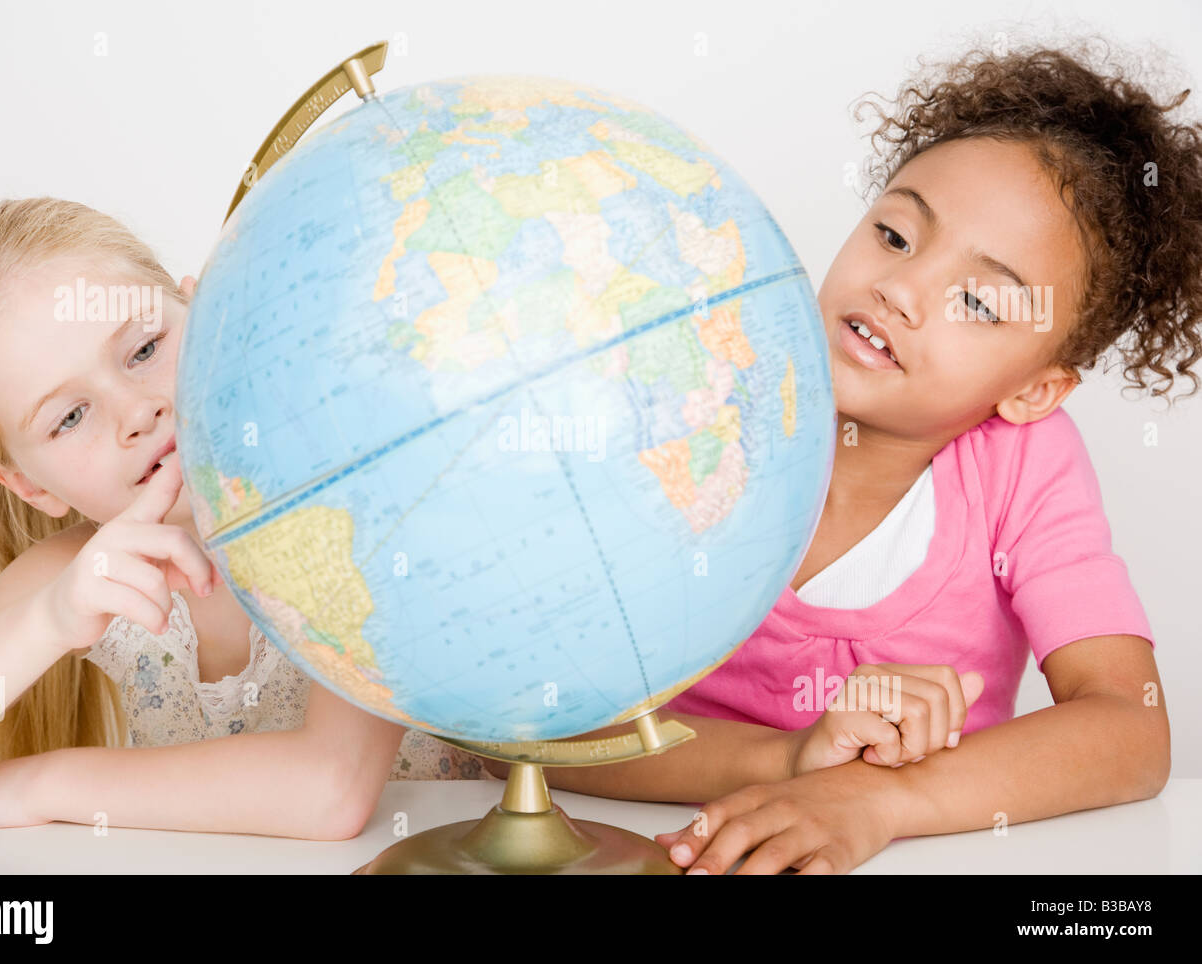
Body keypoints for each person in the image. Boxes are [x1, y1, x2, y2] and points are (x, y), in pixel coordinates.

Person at [489, 36, 1199, 873]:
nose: (899, 288)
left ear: (1035, 390)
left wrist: (879, 798)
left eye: (976, 299)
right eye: (896, 236)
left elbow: (1130, 726)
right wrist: (791, 764)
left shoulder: (1024, 463)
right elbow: (534, 724)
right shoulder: (700, 394)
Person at [0, 197, 490, 838]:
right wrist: (48, 619)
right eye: (69, 417)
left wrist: (37, 785)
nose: (137, 411)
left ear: (206, 312)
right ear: (25, 484)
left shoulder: (354, 506)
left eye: (146, 348)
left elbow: (331, 788)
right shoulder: (76, 575)